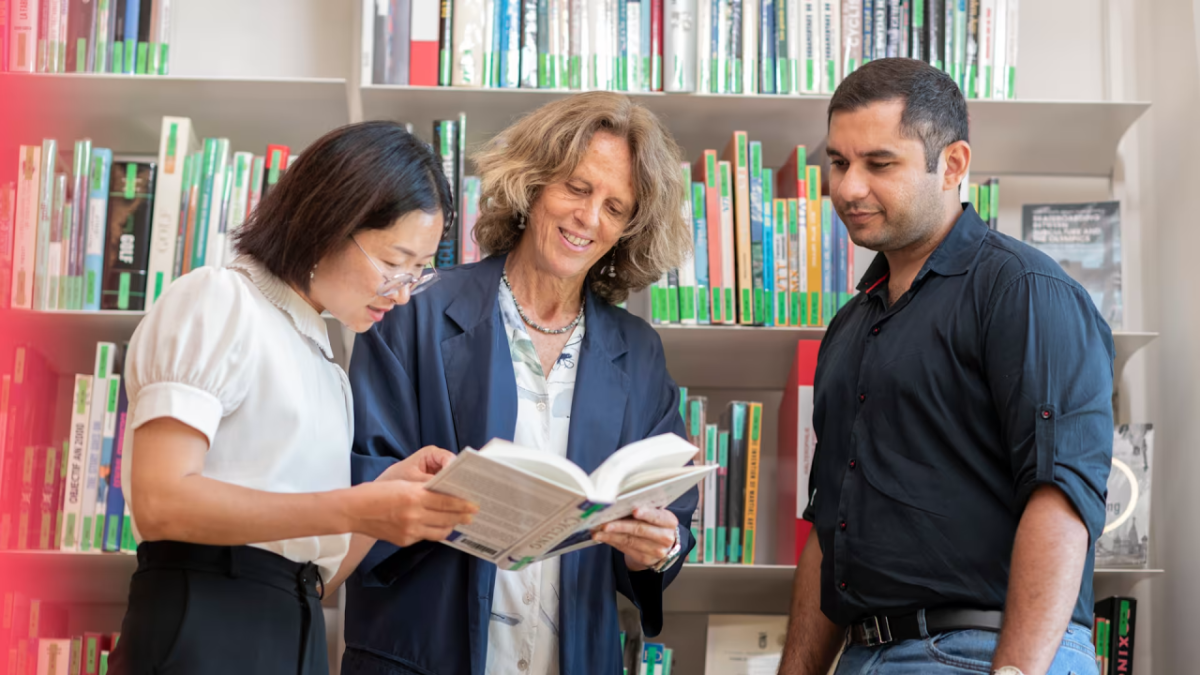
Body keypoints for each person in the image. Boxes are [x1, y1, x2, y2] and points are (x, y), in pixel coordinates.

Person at [342, 91, 697, 675]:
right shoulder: (415, 312)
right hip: (423, 655)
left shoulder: (637, 351)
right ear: (531, 187)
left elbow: (669, 516)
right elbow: (359, 481)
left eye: (614, 207)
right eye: (577, 189)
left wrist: (657, 548)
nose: (589, 218)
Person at [778, 58, 1113, 675]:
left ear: (953, 164)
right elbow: (829, 525)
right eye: (839, 163)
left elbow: (1060, 498)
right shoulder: (848, 327)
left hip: (983, 653)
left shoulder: (1024, 290)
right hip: (863, 654)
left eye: (879, 164)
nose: (849, 188)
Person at [108, 122, 478, 675]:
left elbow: (313, 572)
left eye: (418, 272)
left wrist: (382, 498)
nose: (402, 293)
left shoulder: (323, 358)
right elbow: (162, 502)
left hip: (292, 632)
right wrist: (354, 506)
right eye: (394, 261)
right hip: (205, 626)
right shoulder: (220, 300)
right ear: (330, 221)